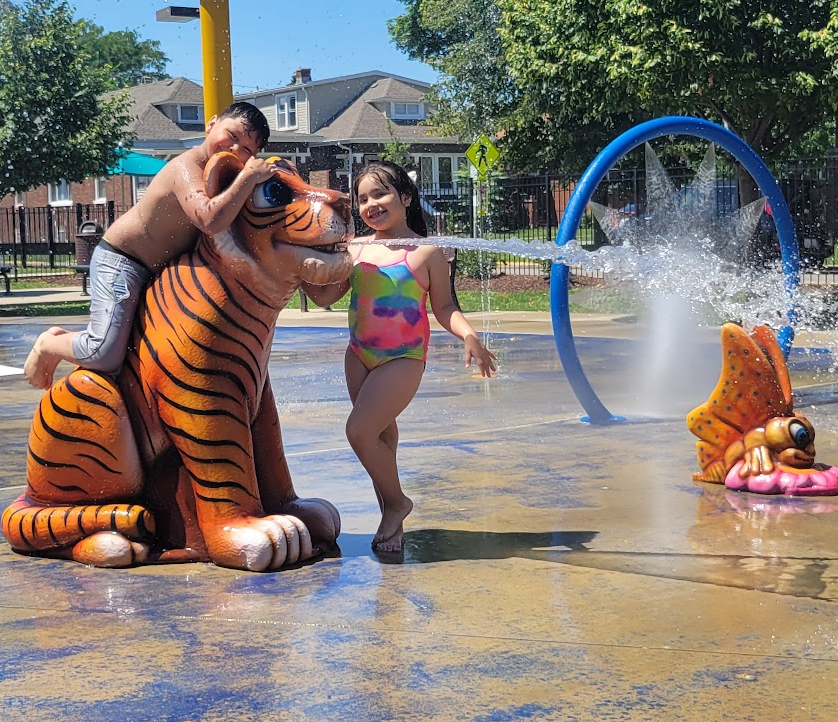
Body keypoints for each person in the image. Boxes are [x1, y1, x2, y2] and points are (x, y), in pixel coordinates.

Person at [306, 160, 497, 556]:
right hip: (359, 355)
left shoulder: (427, 252)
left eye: (380, 194)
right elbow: (325, 297)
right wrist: (296, 268)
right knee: (380, 437)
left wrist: (469, 335)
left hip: (402, 358)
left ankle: (397, 503)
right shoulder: (356, 248)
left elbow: (444, 307)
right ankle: (390, 521)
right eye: (363, 199)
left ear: (405, 197)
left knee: (360, 432)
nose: (371, 204)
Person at [24, 100, 273, 389]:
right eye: (232, 136)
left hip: (160, 274)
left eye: (247, 150)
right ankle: (50, 343)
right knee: (104, 353)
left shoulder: (230, 181)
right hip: (122, 261)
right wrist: (250, 176)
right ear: (211, 124)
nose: (235, 149)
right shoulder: (186, 167)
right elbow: (208, 218)